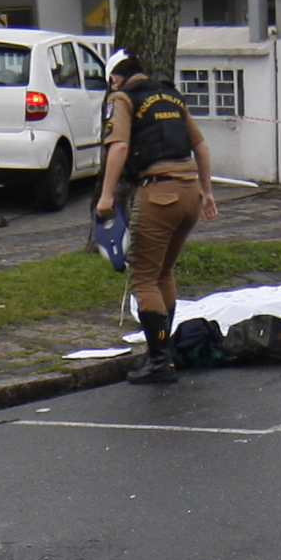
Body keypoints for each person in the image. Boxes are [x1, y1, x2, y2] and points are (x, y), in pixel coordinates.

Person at [96, 51, 214, 381]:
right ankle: (165, 353)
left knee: (144, 278)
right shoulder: (170, 95)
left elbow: (118, 147)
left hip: (159, 192)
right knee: (164, 273)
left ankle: (160, 361)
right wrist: (207, 191)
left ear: (115, 78)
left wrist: (105, 197)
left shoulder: (122, 98)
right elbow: (201, 146)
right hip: (190, 191)